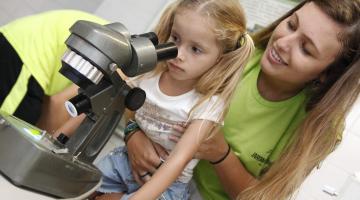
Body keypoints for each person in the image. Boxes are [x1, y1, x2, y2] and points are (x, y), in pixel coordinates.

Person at [124, 0, 360, 199]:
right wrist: (133, 134)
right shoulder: (229, 58)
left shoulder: (319, 127)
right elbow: (148, 91)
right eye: (291, 25)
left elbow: (265, 196)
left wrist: (220, 154)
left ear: (328, 73)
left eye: (306, 49)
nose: (282, 43)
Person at [93, 0, 254, 199]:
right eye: (176, 38)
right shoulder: (148, 75)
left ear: (220, 58)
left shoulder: (207, 104)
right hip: (124, 161)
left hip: (167, 186)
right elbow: (110, 102)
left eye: (195, 49)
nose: (178, 54)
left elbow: (179, 160)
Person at [0, 10, 107, 133]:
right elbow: (60, 105)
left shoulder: (118, 45)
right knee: (10, 132)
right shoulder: (121, 70)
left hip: (18, 43)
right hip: (24, 55)